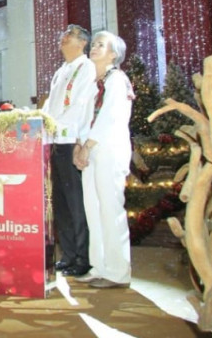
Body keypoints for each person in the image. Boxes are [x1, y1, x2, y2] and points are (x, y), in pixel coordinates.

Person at [74, 31, 134, 289]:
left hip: (108, 149)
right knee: (93, 210)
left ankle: (118, 272)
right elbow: (83, 119)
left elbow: (110, 116)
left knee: (110, 209)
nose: (94, 47)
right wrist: (79, 147)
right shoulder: (91, 84)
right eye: (94, 44)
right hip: (90, 151)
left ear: (113, 54)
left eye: (101, 45)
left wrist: (87, 145)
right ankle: (99, 266)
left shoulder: (117, 79)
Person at [41, 24, 97, 277]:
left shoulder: (86, 68)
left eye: (69, 36)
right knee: (60, 203)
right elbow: (51, 107)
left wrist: (69, 137)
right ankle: (69, 255)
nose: (63, 39)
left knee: (76, 203)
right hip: (53, 141)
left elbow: (80, 108)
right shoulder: (61, 71)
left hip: (70, 140)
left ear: (83, 43)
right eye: (62, 35)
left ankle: (83, 258)